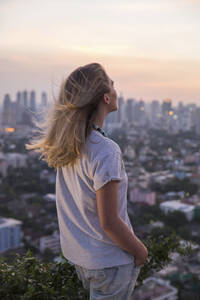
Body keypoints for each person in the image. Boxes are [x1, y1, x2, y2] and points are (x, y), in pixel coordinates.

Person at [25, 62, 148, 299]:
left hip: (81, 259)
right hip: (109, 263)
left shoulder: (70, 144)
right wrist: (140, 251)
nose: (115, 88)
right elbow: (110, 222)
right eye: (112, 84)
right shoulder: (105, 150)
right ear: (105, 98)